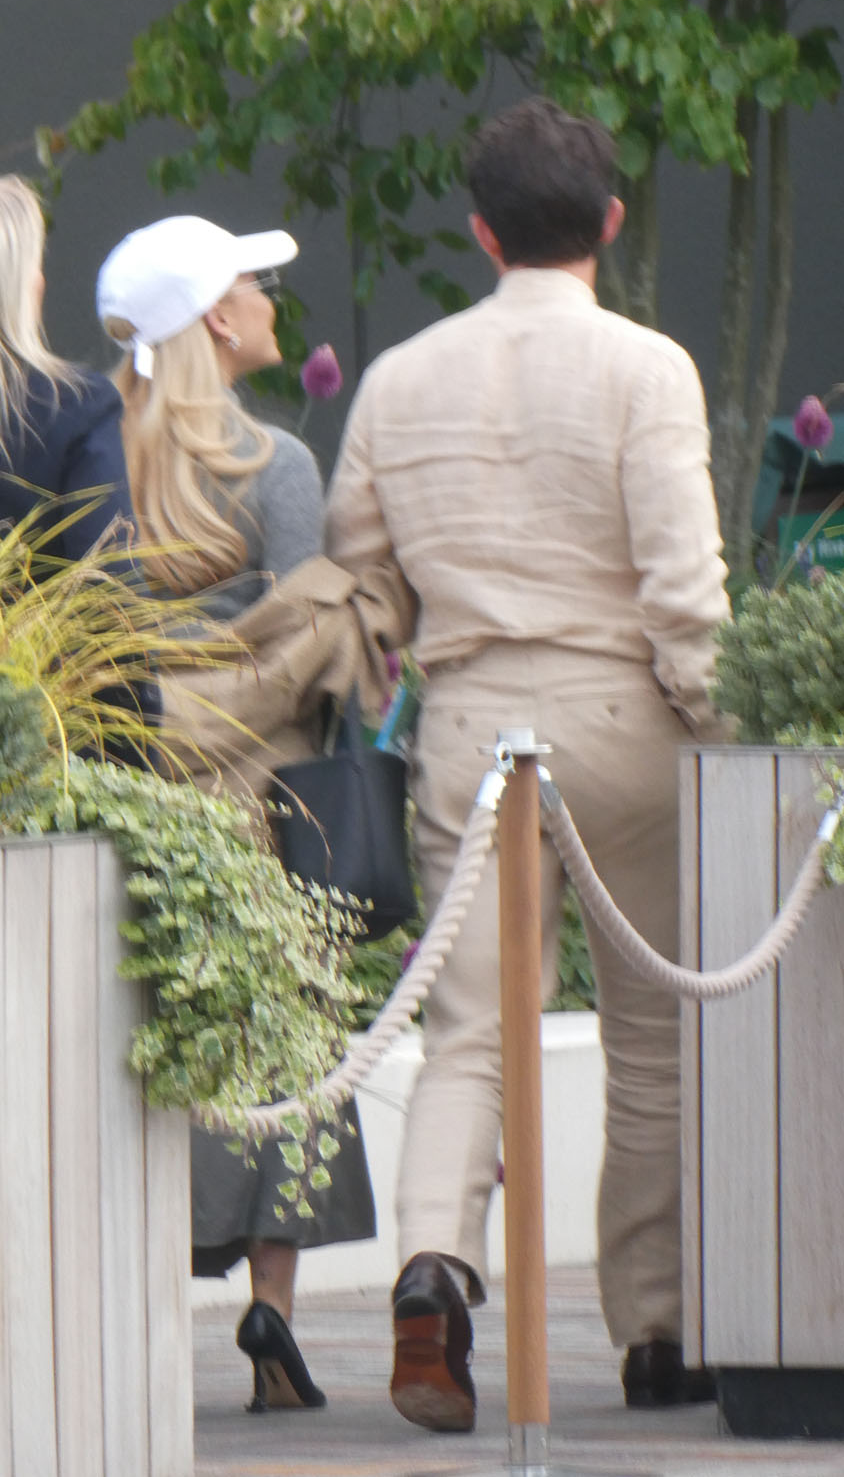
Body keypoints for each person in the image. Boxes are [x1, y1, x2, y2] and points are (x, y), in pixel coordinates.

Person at [325, 95, 732, 1429]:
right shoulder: (648, 369)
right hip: (623, 719)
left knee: (468, 1034)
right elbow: (684, 591)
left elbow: (359, 567)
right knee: (653, 1036)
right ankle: (657, 1330)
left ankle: (433, 1270)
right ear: (609, 221)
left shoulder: (399, 378)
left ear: (481, 231)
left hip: (466, 725)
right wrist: (712, 723)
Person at [95, 213, 383, 1413]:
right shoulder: (279, 466)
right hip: (269, 808)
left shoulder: (95, 458)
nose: (269, 295)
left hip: (133, 803)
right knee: (284, 1050)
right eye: (253, 281)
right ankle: (272, 1318)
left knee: (146, 1048)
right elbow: (311, 645)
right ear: (218, 317)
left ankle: (138, 1322)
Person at [0, 173, 159, 765]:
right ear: (25, 284)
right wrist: (132, 761)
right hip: (38, 754)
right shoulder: (72, 406)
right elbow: (107, 593)